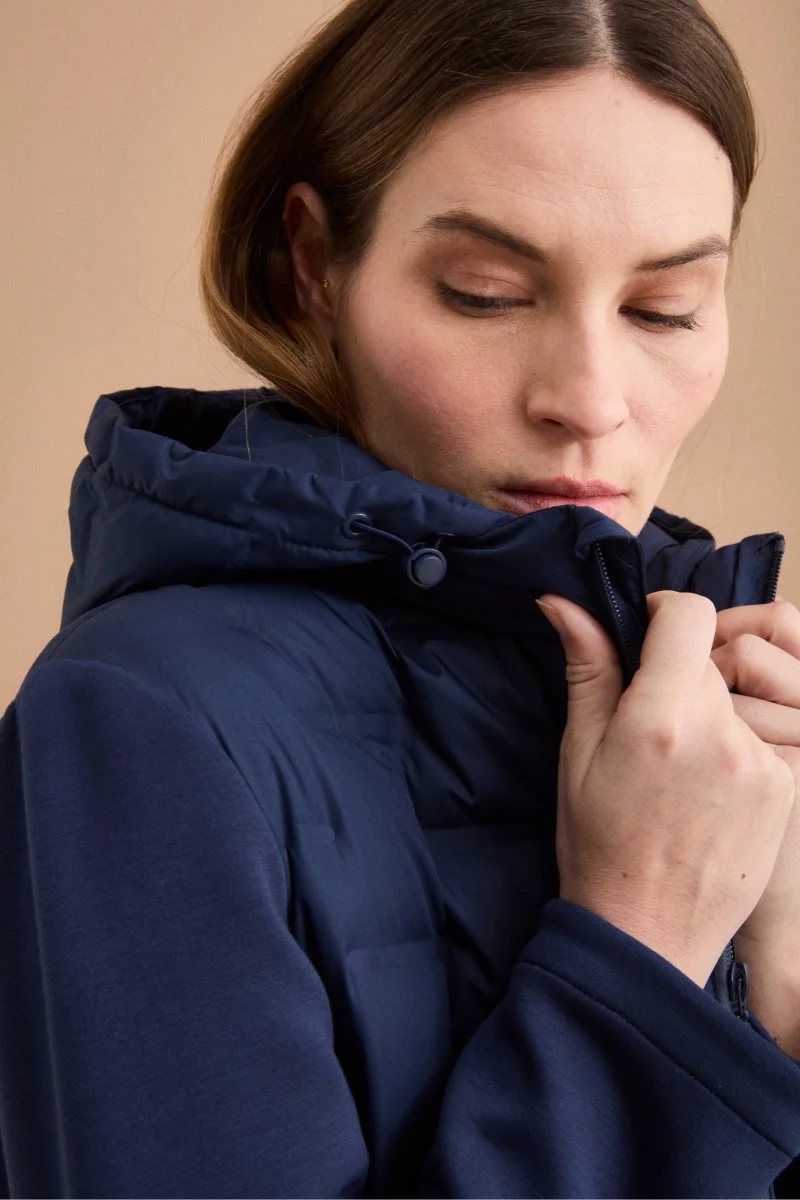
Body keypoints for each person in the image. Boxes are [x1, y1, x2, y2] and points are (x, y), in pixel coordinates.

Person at [2, 0, 800, 1195]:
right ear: (314, 264)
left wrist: (775, 979)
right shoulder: (140, 719)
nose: (590, 399)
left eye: (662, 308)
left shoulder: (719, 731)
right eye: (484, 292)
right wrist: (641, 942)